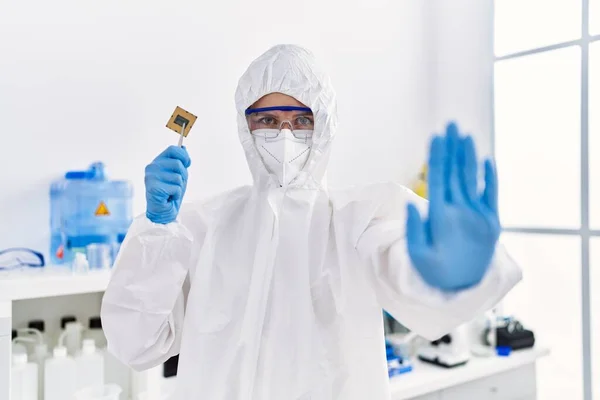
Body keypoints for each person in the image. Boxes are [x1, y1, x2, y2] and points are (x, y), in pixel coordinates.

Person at [101, 44, 521, 400]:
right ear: (244, 127)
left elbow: (407, 264)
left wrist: (453, 272)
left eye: (302, 120)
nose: (285, 133)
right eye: (266, 120)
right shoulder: (204, 226)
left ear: (325, 126)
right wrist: (156, 230)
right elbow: (136, 343)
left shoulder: (358, 220)